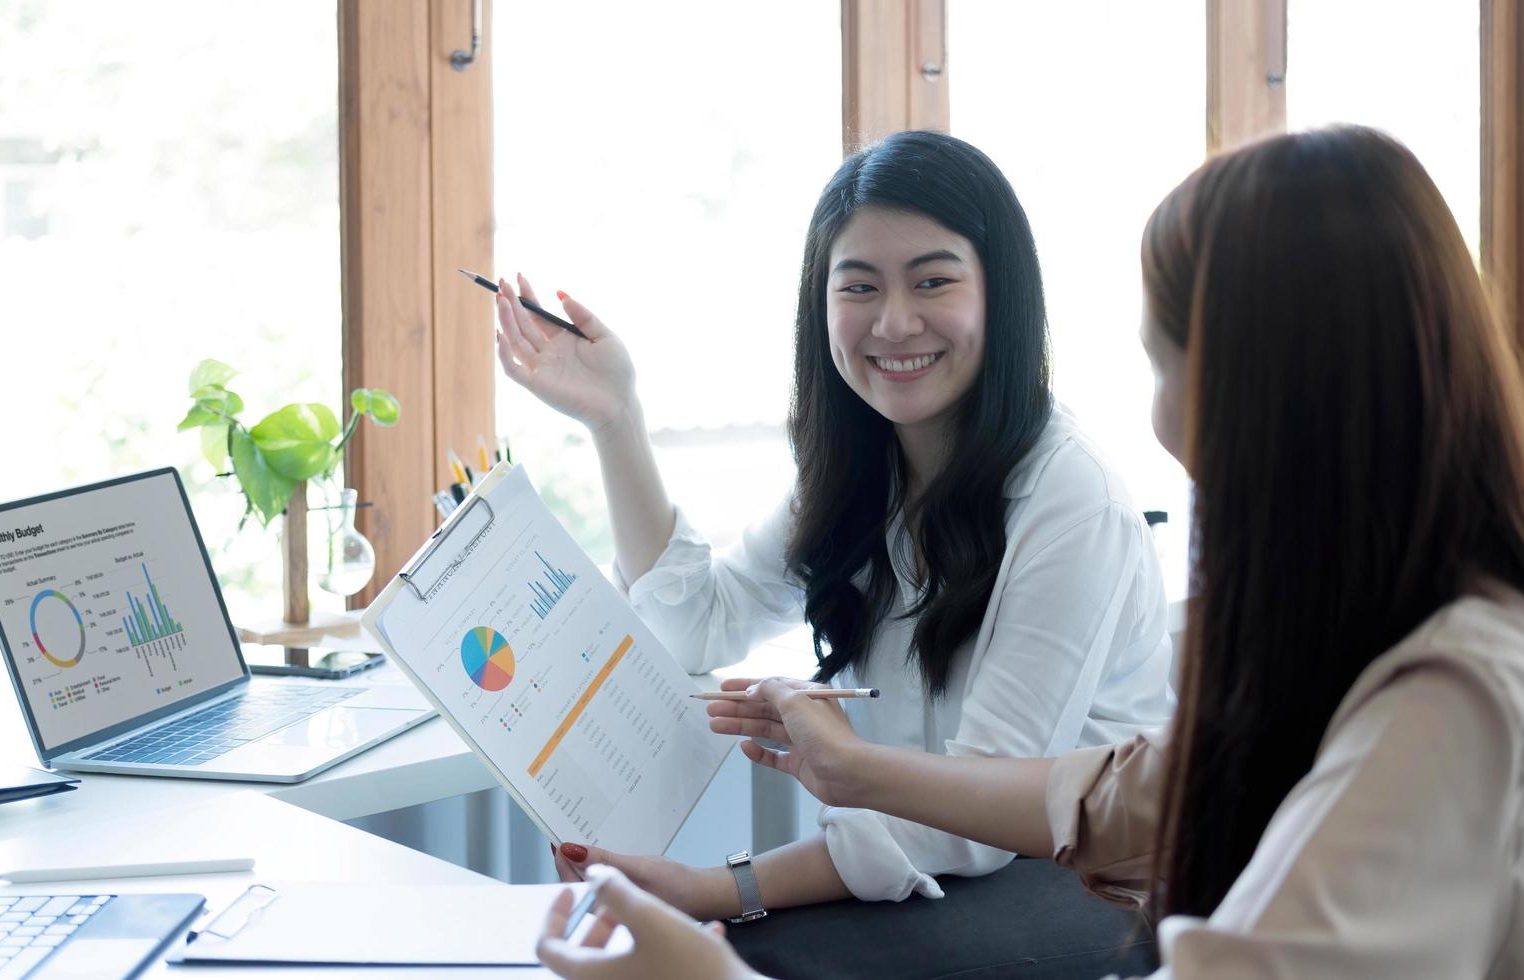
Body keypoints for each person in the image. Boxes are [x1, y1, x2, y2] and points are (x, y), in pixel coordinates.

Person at [535, 125, 1524, 979]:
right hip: (970, 851)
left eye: (1164, 363)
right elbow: (1129, 787)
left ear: (1277, 391)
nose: (1161, 419)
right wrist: (618, 419)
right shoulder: (1367, 631)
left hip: (1032, 882)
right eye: (859, 286)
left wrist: (724, 924)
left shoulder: (1450, 701)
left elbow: (1044, 817)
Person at [494, 130, 1175, 921]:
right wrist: (616, 420)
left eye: (932, 282)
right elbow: (695, 626)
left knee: (714, 952)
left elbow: (988, 818)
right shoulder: (863, 469)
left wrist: (722, 891)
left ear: (1002, 294)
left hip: (1079, 885)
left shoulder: (1069, 500)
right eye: (858, 288)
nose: (892, 324)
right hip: (930, 876)